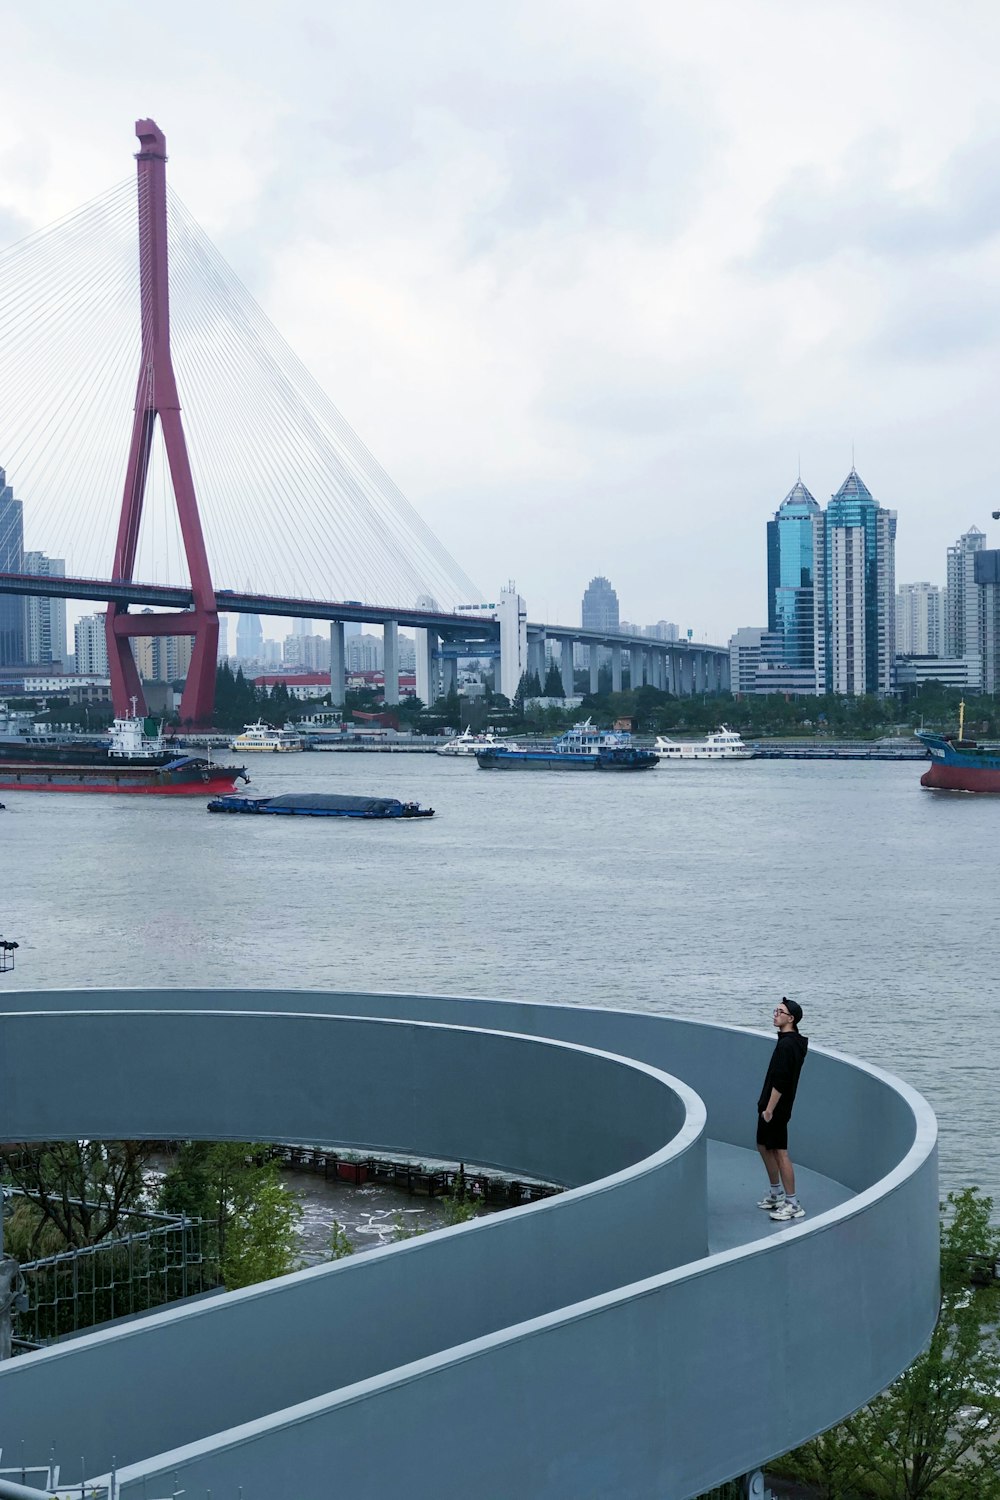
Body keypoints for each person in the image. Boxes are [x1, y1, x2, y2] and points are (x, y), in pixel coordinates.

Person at [756, 997, 808, 1221]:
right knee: (762, 1145)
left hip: (775, 1108)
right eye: (775, 1010)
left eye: (780, 1011)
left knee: (780, 1151)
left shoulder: (788, 1045)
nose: (775, 1014)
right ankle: (776, 1193)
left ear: (791, 1018)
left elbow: (781, 1080)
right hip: (770, 1105)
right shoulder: (789, 1041)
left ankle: (793, 1202)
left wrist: (769, 1110)